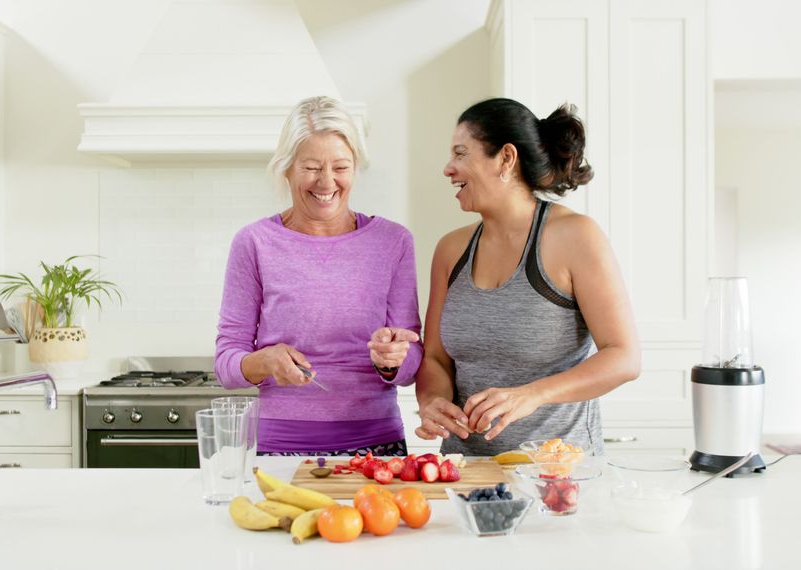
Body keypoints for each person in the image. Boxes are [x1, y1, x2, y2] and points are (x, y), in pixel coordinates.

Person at [414, 98, 641, 456]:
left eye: (461, 154)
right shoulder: (450, 250)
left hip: (557, 475)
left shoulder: (575, 236)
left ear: (506, 158)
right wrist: (433, 401)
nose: (448, 168)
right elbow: (436, 360)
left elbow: (624, 357)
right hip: (465, 473)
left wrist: (533, 394)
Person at [215, 96, 422, 456]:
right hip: (280, 445)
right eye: (311, 167)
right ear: (287, 168)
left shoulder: (394, 242)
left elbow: (412, 362)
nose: (327, 182)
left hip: (376, 444)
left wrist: (392, 359)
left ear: (355, 167)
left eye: (340, 167)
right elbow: (226, 363)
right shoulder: (254, 243)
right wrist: (263, 361)